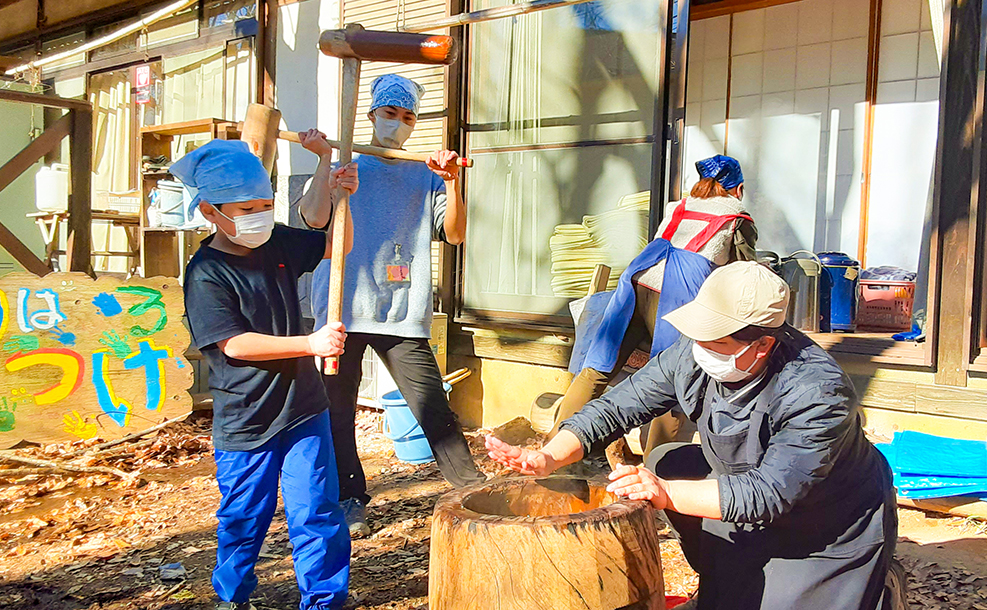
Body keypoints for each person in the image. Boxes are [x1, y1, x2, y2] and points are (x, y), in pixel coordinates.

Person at [488, 261, 898, 610]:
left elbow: (770, 493)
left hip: (824, 522)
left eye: (715, 341)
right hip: (742, 493)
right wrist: (550, 455)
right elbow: (618, 406)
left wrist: (666, 493)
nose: (699, 348)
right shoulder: (694, 352)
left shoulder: (817, 391)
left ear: (762, 345)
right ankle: (725, 574)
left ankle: (877, 587)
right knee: (669, 460)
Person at [299, 73, 485, 538]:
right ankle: (348, 499)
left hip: (402, 308)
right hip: (342, 306)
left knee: (432, 405)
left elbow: (455, 234)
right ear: (371, 115)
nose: (398, 123)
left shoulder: (424, 171)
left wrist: (451, 182)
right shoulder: (346, 160)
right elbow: (314, 220)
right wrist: (326, 169)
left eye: (407, 117)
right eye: (389, 113)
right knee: (337, 411)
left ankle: (474, 490)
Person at [178, 138, 357, 610]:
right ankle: (233, 596)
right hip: (247, 417)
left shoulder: (277, 241)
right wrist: (310, 344)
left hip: (303, 408)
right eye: (245, 209)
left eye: (265, 204)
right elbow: (234, 344)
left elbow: (339, 246)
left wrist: (343, 200)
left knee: (316, 511)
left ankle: (324, 600)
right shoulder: (206, 273)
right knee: (243, 518)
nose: (258, 215)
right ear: (210, 211)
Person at [553, 155, 757, 453]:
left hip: (637, 281)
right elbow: (744, 273)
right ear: (738, 189)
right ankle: (656, 465)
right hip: (676, 292)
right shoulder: (737, 217)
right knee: (672, 376)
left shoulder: (678, 206)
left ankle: (554, 448)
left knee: (598, 368)